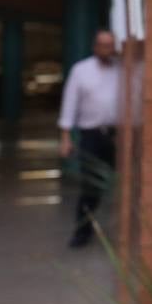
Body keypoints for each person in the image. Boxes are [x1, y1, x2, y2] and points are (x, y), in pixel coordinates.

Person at [58, 30, 120, 248]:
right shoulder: (81, 70)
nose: (107, 49)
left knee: (121, 184)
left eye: (110, 45)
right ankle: (82, 232)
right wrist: (66, 138)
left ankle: (120, 232)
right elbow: (69, 104)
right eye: (103, 45)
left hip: (116, 136)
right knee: (91, 186)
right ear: (95, 47)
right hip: (91, 136)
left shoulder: (121, 70)